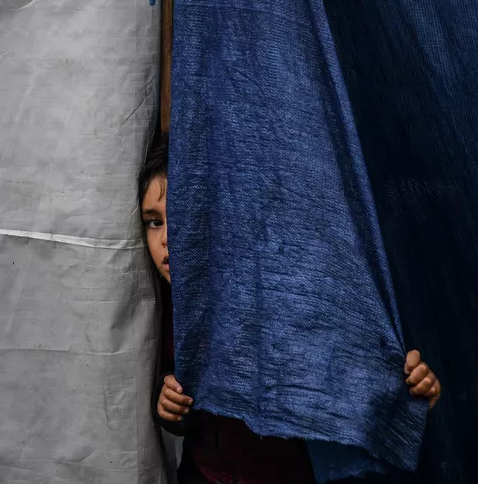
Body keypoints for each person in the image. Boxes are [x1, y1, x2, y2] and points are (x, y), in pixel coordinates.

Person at [138, 132, 441, 484]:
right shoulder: (158, 304)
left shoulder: (278, 294)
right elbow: (178, 392)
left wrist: (410, 389)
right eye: (154, 221)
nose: (166, 239)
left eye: (182, 216)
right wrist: (169, 403)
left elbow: (346, 371)